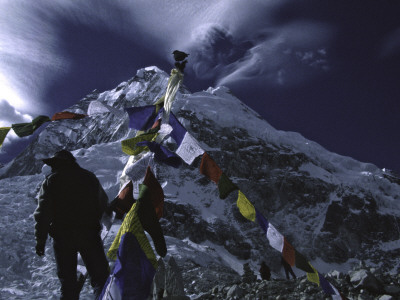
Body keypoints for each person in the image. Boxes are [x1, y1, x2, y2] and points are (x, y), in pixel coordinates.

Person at [34, 150, 110, 300]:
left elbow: (43, 214)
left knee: (68, 283)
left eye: (54, 164)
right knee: (100, 279)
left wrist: (40, 240)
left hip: (63, 238)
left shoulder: (51, 181)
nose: (52, 168)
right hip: (90, 234)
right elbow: (103, 204)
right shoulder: (89, 178)